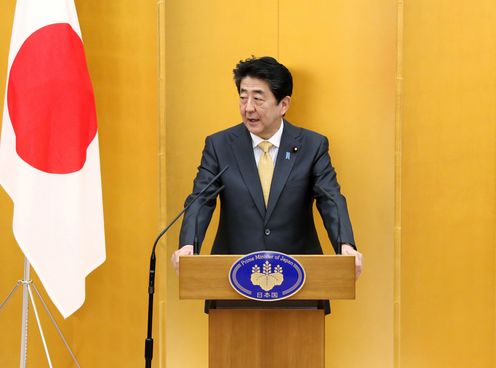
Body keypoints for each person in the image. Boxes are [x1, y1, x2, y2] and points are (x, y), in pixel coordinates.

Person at [171, 56, 362, 283]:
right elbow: (201, 200)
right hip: (233, 274)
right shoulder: (220, 146)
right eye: (243, 98)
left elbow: (330, 199)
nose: (248, 108)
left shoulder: (312, 146)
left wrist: (345, 245)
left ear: (284, 104)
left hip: (299, 274)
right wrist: (187, 245)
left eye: (258, 99)